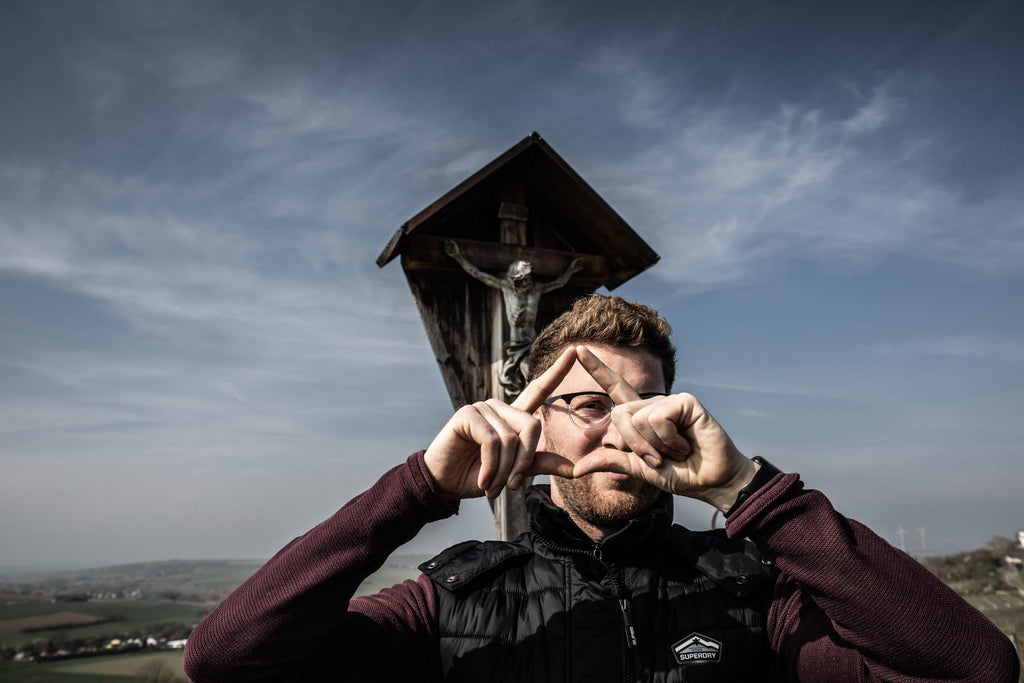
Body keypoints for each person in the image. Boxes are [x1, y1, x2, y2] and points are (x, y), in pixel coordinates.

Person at [183, 295, 1020, 682]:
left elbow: (977, 666)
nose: (620, 430)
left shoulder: (754, 596)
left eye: (645, 405)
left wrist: (746, 489)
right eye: (587, 405)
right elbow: (225, 657)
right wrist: (418, 487)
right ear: (533, 422)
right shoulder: (449, 601)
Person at [445, 239, 582, 396]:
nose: (528, 281)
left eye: (530, 278)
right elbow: (478, 274)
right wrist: (458, 257)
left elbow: (559, 283)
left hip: (532, 340)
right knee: (529, 374)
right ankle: (533, 400)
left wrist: (571, 270)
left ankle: (536, 399)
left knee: (534, 373)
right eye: (525, 279)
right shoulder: (507, 288)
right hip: (517, 343)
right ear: (516, 280)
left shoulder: (537, 289)